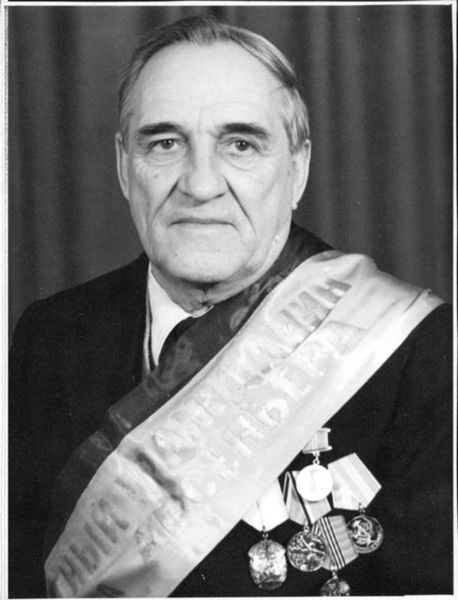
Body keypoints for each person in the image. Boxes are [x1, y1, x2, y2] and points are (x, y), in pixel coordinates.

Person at [9, 14, 453, 598]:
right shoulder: (51, 336)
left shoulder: (419, 352)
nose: (200, 184)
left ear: (297, 169)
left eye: (240, 144)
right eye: (164, 144)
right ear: (123, 166)